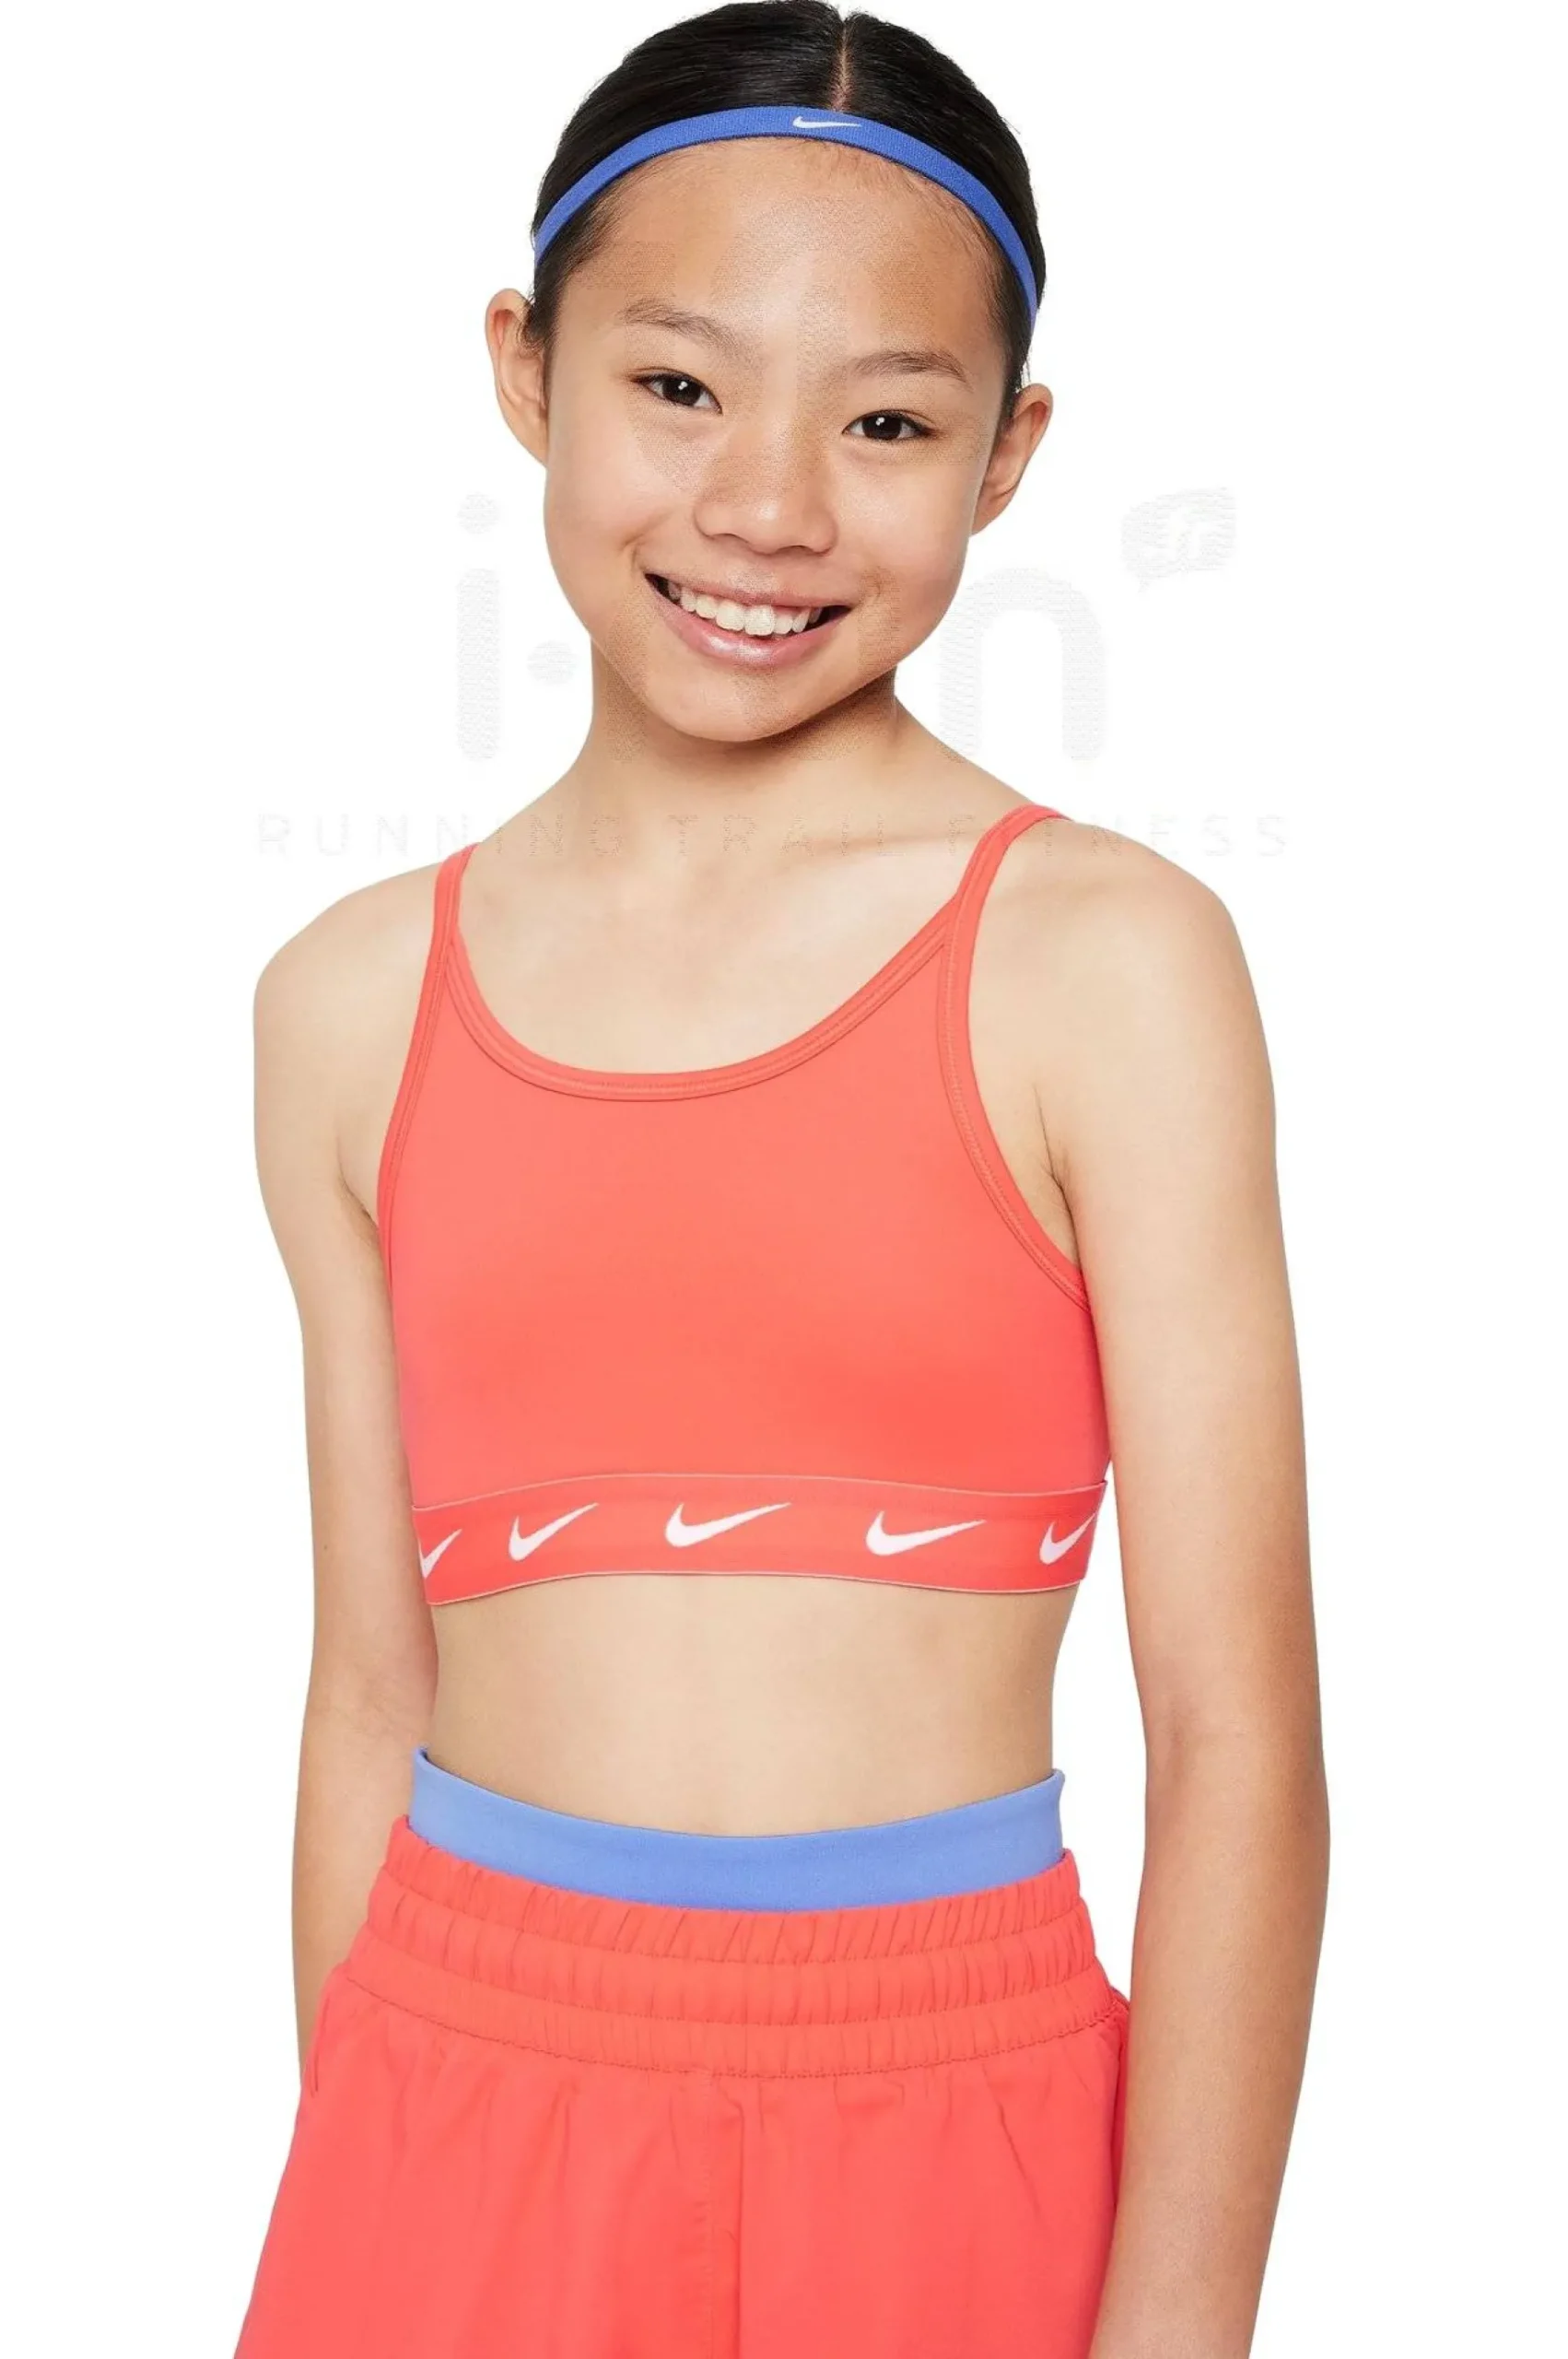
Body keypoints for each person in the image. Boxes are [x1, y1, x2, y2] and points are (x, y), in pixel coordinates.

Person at [233, 6, 1328, 2353]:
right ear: (525, 369)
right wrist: (373, 2183)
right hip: (451, 2098)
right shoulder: (349, 999)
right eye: (678, 386)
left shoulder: (1101, 962)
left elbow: (1237, 1742)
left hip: (953, 2102)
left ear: (1007, 453)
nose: (766, 507)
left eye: (886, 422)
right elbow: (363, 1695)